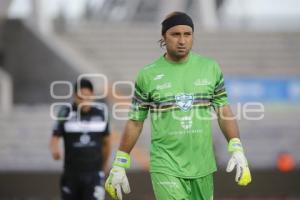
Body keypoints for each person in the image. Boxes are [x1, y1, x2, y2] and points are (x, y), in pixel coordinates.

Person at [105, 12, 251, 200]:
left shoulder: (210, 68)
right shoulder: (148, 75)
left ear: (193, 36)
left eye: (187, 34)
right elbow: (135, 122)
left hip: (203, 166)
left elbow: (223, 110)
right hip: (165, 165)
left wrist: (237, 147)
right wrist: (120, 163)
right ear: (164, 38)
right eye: (175, 34)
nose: (182, 40)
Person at [49, 78, 110, 200]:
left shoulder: (100, 113)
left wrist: (104, 166)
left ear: (92, 95)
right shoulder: (65, 113)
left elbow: (107, 142)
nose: (84, 101)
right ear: (75, 96)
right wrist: (55, 150)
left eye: (87, 96)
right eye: (80, 97)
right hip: (71, 173)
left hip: (94, 173)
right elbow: (55, 137)